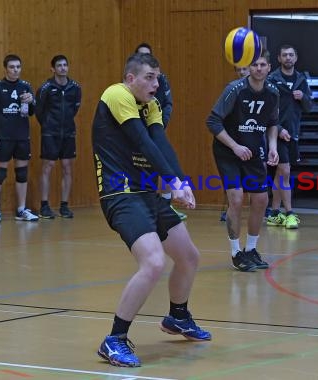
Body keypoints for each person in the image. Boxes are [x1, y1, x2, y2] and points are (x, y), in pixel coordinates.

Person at [93, 53, 211, 367]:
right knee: (154, 262)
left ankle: (178, 317)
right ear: (131, 78)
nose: (155, 85)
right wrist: (172, 182)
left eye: (157, 78)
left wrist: (182, 181)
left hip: (146, 192)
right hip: (121, 194)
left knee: (188, 256)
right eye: (149, 77)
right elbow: (142, 141)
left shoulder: (152, 105)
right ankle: (114, 339)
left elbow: (160, 143)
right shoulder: (116, 95)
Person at [207, 50, 279, 272]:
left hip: (253, 152)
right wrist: (235, 147)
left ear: (269, 68)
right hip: (229, 150)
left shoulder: (273, 92)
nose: (258, 68)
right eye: (254, 65)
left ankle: (251, 250)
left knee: (260, 200)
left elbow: (273, 122)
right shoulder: (235, 90)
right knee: (236, 199)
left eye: (262, 65)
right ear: (248, 67)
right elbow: (212, 121)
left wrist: (273, 147)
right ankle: (236, 252)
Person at [134, 42, 186, 221]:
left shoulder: (161, 81)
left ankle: (165, 207)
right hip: (135, 134)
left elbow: (167, 103)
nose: (144, 59)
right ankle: (143, 206)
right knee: (142, 169)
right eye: (141, 56)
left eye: (147, 55)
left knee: (161, 162)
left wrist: (160, 125)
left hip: (155, 127)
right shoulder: (125, 89)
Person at [0, 54, 39, 223]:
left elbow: (30, 113)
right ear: (5, 68)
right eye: (12, 67)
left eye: (18, 67)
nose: (16, 70)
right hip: (3, 137)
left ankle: (21, 209)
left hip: (21, 137)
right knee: (0, 173)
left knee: (21, 173)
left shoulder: (26, 86)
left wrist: (31, 102)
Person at [266, 45, 313, 229]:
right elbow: (266, 110)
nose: (288, 58)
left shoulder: (301, 80)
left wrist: (303, 98)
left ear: (296, 57)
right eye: (284, 55)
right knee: (285, 172)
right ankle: (290, 213)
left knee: (280, 173)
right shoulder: (272, 80)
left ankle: (274, 213)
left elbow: (310, 107)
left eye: (291, 55)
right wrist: (277, 128)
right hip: (275, 133)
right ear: (279, 58)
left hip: (292, 134)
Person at [36, 55, 82, 219]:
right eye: (59, 65)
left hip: (68, 132)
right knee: (47, 166)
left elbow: (75, 108)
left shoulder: (75, 87)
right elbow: (39, 111)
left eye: (65, 65)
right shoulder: (46, 87)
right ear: (53, 69)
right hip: (50, 132)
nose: (63, 68)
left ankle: (64, 205)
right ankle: (44, 205)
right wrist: (48, 125)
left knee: (67, 167)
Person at [219, 65, 250, 222]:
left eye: (245, 69)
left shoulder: (267, 91)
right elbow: (215, 121)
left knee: (259, 194)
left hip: (253, 144)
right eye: (239, 70)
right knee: (235, 194)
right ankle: (229, 209)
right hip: (232, 146)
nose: (242, 72)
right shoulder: (232, 89)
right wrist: (233, 145)